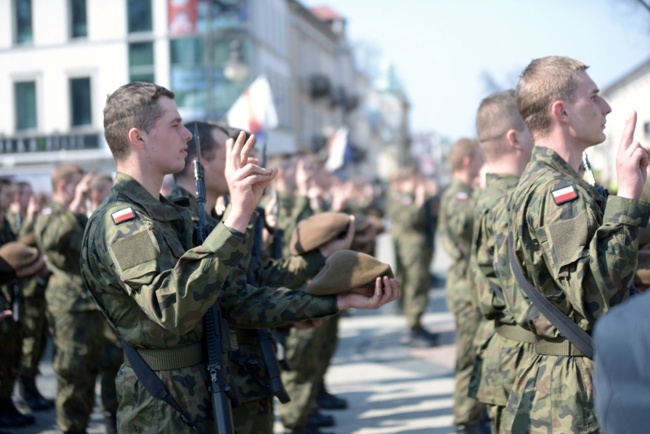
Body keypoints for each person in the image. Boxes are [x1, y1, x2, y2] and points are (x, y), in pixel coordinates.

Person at [80, 82, 399, 434]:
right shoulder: (123, 222)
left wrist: (338, 301)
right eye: (174, 125)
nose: (187, 135)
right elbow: (172, 308)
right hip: (162, 409)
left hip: (204, 392)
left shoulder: (169, 215)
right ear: (138, 138)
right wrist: (236, 216)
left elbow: (234, 301)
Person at [499, 56, 650, 434]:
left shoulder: (555, 183)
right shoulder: (556, 192)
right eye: (594, 97)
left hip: (565, 382)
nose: (606, 107)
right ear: (562, 111)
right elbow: (596, 295)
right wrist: (628, 194)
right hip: (573, 396)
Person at [467, 90, 534, 433]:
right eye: (534, 126)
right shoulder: (509, 203)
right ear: (514, 138)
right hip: (521, 360)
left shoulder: (495, 195)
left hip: (508, 355)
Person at [34, 164, 103, 434]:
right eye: (78, 185)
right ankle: (70, 428)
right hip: (68, 306)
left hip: (89, 305)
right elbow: (50, 241)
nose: (83, 190)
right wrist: (77, 202)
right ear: (64, 186)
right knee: (72, 373)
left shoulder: (78, 215)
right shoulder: (51, 214)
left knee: (90, 372)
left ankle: (83, 425)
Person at [437, 138, 486, 434]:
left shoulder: (466, 193)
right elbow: (465, 227)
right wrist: (486, 190)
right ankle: (466, 421)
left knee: (477, 354)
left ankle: (474, 416)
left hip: (471, 286)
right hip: (466, 289)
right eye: (481, 158)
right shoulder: (460, 196)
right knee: (470, 357)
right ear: (468, 162)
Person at [387, 168, 438, 347]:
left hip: (421, 248)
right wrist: (419, 200)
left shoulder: (408, 195)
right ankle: (414, 327)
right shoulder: (400, 196)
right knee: (415, 286)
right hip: (411, 249)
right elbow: (410, 219)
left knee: (420, 285)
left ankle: (417, 323)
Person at [87, 171, 121, 434]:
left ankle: (113, 416)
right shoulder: (94, 221)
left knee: (114, 366)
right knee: (89, 371)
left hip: (110, 313)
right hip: (88, 311)